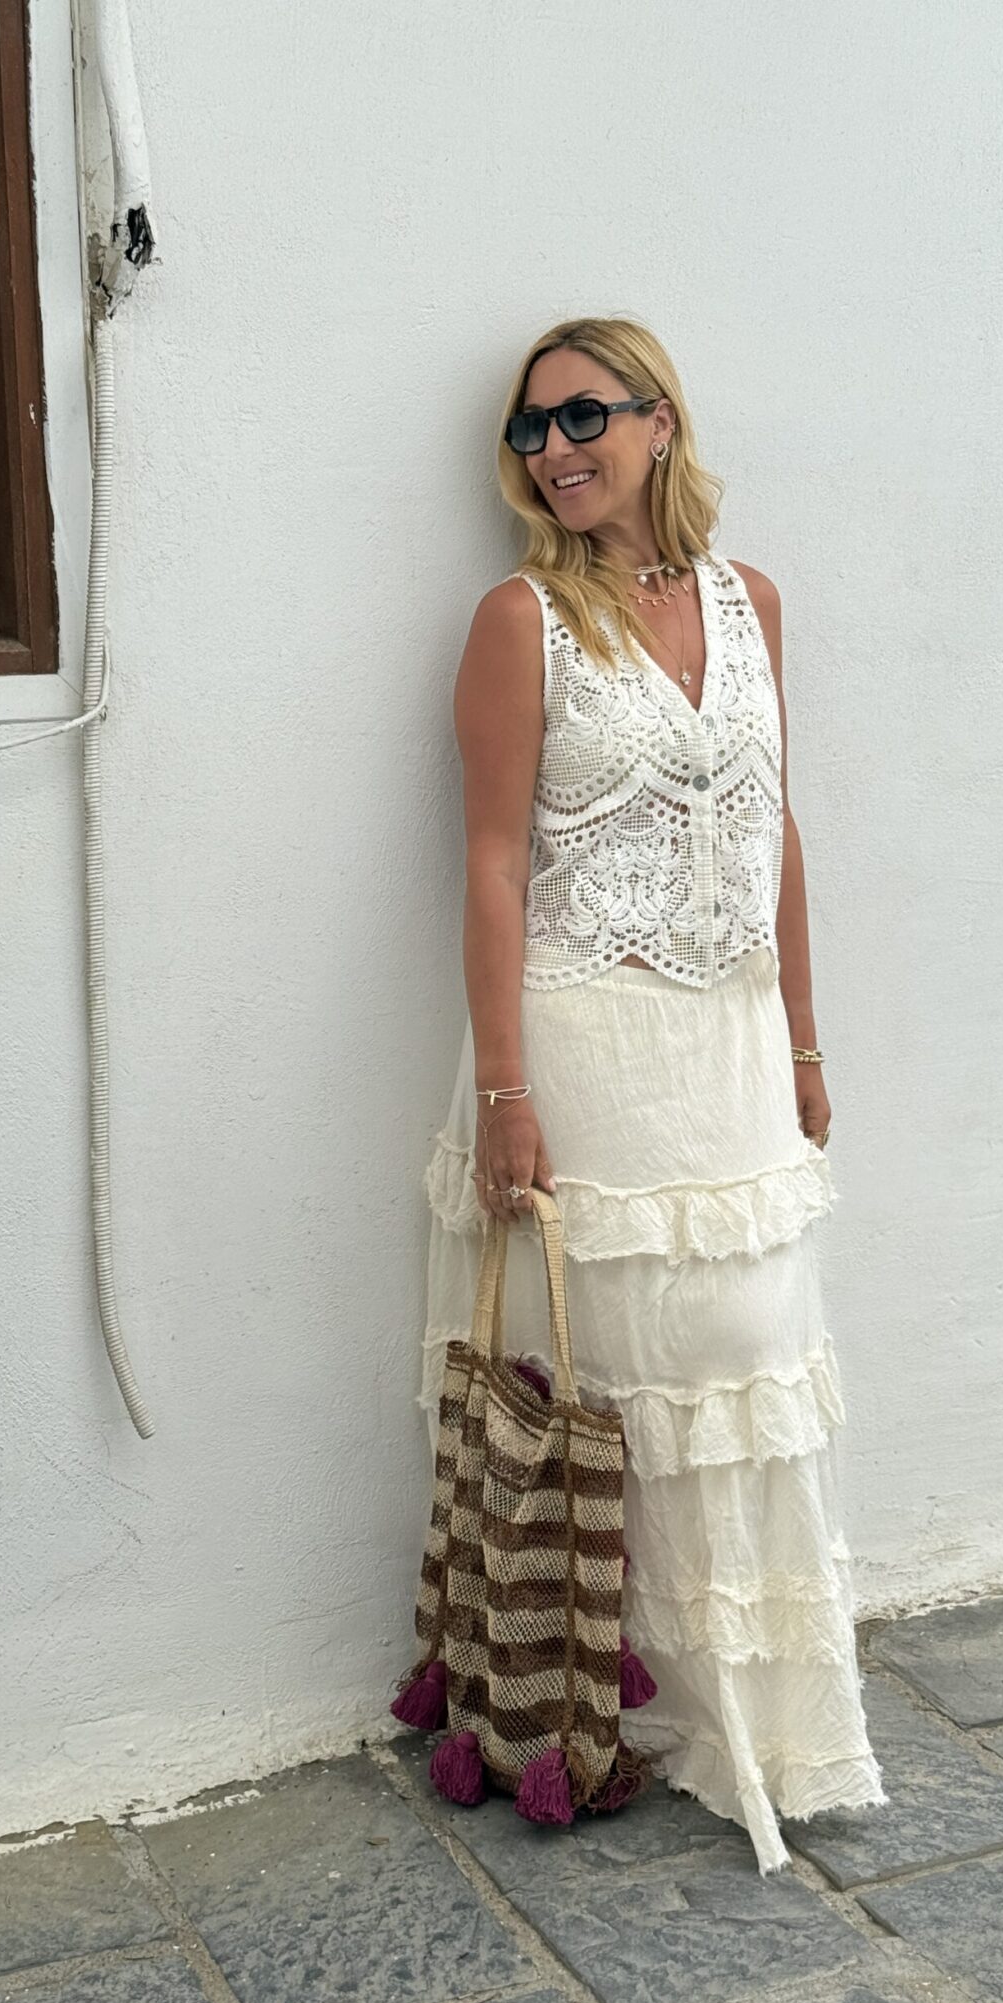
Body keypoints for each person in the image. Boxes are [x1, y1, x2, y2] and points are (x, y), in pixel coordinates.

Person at [416, 315, 888, 1874]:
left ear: (660, 421)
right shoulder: (520, 623)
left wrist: (804, 1042)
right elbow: (494, 863)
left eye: (583, 418)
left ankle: (748, 1701)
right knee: (616, 1374)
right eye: (530, 431)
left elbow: (773, 828)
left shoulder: (752, 603)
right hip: (588, 1040)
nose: (554, 451)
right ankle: (604, 1706)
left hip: (733, 1040)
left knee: (744, 1354)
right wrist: (504, 1087)